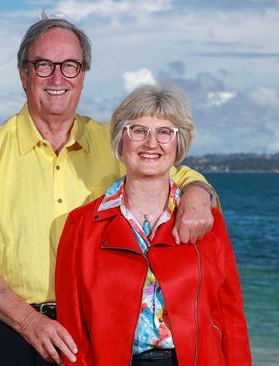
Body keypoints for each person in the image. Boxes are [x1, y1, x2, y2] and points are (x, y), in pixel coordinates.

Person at [0, 15, 217, 366]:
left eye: (70, 66)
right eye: (43, 65)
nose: (57, 78)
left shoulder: (114, 144)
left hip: (88, 331)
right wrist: (29, 321)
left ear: (83, 76)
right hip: (4, 329)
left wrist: (197, 195)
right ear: (24, 74)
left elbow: (177, 172)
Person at [55, 84, 251, 365]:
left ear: (178, 143)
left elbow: (230, 317)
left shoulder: (207, 219)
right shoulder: (81, 225)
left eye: (164, 132)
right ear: (121, 141)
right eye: (138, 130)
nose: (151, 143)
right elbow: (73, 329)